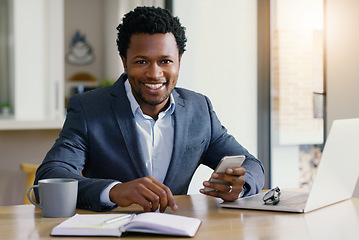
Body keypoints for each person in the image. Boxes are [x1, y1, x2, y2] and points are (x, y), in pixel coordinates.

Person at [35, 6, 265, 213]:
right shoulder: (89, 109)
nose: (155, 74)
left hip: (179, 230)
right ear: (124, 62)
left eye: (165, 61)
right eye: (141, 62)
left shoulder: (199, 109)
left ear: (179, 60)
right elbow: (50, 176)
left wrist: (240, 186)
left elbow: (252, 165)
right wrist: (114, 191)